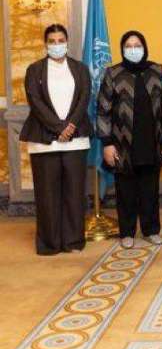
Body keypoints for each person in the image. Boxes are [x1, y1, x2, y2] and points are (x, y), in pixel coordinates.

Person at [97, 31, 162, 249]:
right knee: (125, 190)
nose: (133, 49)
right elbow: (103, 110)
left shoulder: (157, 71)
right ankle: (127, 232)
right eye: (128, 46)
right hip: (122, 143)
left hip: (153, 141)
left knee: (150, 189)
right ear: (122, 49)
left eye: (137, 45)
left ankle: (151, 230)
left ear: (144, 47)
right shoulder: (113, 74)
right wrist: (107, 143)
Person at [20, 24, 92, 255]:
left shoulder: (80, 69)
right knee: (47, 195)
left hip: (76, 139)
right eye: (52, 41)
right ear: (46, 44)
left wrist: (70, 126)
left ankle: (73, 242)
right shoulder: (34, 70)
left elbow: (84, 98)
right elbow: (35, 101)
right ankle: (49, 244)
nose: (57, 45)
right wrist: (59, 127)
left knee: (74, 193)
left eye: (61, 40)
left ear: (67, 42)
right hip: (43, 141)